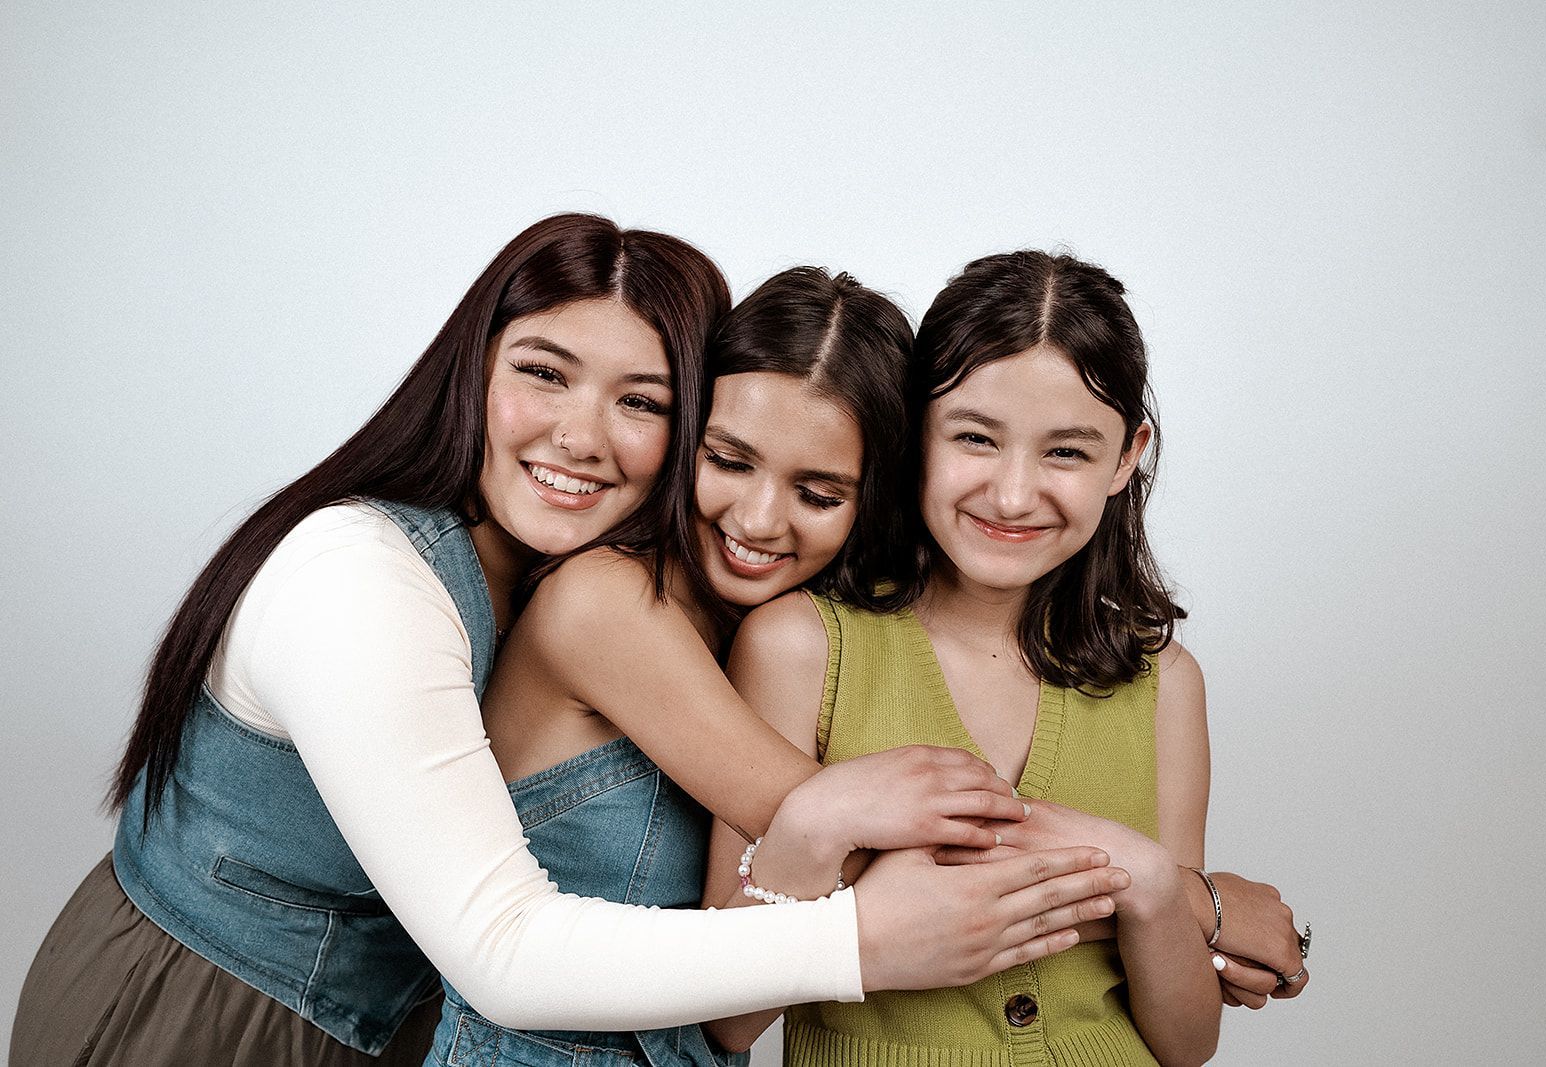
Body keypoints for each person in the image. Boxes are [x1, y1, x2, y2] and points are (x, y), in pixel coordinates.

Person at [10, 219, 1108, 1067]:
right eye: (543, 371)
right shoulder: (366, 577)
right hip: (199, 1007)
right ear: (474, 368)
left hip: (386, 1029)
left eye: (641, 401)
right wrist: (1144, 891)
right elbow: (508, 949)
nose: (581, 436)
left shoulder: (640, 583)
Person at [428, 266, 1124, 1067]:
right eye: (729, 460)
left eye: (819, 495)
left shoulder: (780, 628)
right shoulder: (602, 603)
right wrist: (1177, 897)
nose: (758, 520)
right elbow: (865, 847)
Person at [703, 249, 1309, 1066]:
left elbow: (1187, 1041)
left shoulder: (1164, 682)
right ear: (916, 433)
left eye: (1067, 452)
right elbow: (727, 1018)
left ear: (1126, 456)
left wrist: (1154, 882)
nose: (1014, 494)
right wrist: (818, 825)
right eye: (975, 438)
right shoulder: (800, 646)